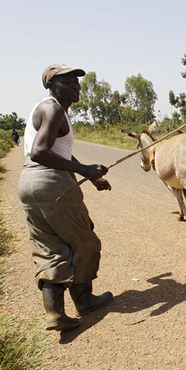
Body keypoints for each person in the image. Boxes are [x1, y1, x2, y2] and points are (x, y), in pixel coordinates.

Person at [18, 63, 113, 331]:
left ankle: (55, 314)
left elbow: (58, 152)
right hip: (51, 183)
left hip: (29, 183)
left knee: (49, 246)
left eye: (76, 80)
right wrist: (82, 170)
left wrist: (90, 176)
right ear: (50, 85)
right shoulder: (53, 108)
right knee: (84, 241)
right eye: (66, 80)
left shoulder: (52, 111)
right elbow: (40, 151)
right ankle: (84, 301)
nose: (75, 84)